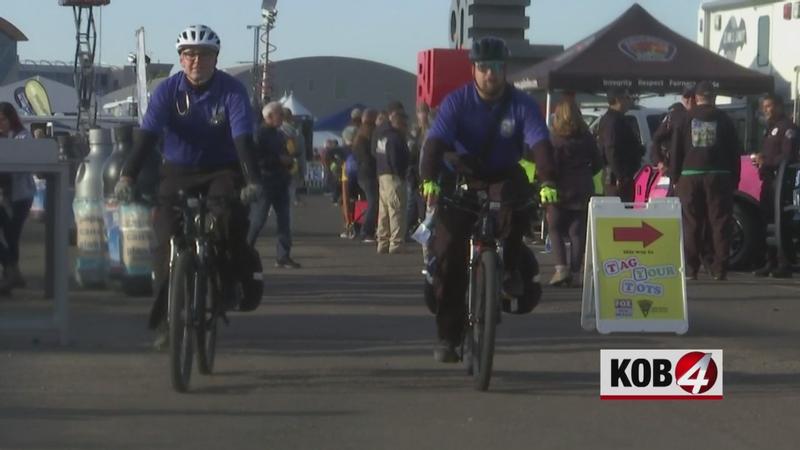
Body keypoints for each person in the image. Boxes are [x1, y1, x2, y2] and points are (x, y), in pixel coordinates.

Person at [114, 25, 263, 348]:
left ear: (215, 59)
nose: (196, 61)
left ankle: (228, 283)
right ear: (181, 60)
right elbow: (147, 137)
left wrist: (251, 181)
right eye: (189, 55)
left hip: (222, 169)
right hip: (178, 170)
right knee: (165, 240)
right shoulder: (167, 91)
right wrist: (127, 176)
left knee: (229, 221)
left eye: (204, 55)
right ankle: (168, 321)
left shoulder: (232, 90)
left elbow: (242, 139)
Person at [420, 36, 556, 362]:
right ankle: (449, 337)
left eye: (496, 68)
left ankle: (507, 271)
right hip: (463, 177)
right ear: (474, 70)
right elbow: (435, 143)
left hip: (504, 176)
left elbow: (540, 143)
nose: (490, 74)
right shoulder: (457, 102)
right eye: (483, 68)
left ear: (504, 69)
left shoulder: (521, 103)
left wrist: (548, 180)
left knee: (516, 208)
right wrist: (428, 179)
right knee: (451, 249)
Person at [670, 81, 742, 281]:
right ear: (714, 97)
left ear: (696, 97)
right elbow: (734, 151)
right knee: (719, 222)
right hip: (719, 175)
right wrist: (735, 177)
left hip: (690, 175)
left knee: (691, 222)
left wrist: (675, 176)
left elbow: (676, 150)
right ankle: (720, 268)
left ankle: (691, 269)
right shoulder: (724, 119)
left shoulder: (685, 118)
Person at [546, 99, 603, 287]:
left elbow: (550, 166)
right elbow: (597, 163)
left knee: (554, 228)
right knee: (577, 232)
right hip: (583, 186)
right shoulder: (586, 137)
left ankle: (561, 269)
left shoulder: (555, 139)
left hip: (560, 188)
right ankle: (576, 272)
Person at [248, 102, 301, 269]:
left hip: (280, 181)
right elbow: (256, 160)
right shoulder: (259, 134)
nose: (282, 117)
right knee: (258, 220)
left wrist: (288, 160)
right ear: (269, 116)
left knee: (284, 220)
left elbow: (287, 152)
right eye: (279, 114)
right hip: (266, 182)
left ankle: (283, 256)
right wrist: (279, 159)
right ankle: (245, 250)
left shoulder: (279, 134)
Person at [752, 94, 799, 278]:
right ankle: (769, 262)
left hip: (781, 181)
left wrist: (767, 161)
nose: (766, 109)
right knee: (768, 220)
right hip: (769, 181)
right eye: (764, 106)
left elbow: (788, 156)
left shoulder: (788, 128)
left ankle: (784, 263)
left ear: (779, 106)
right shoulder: (769, 128)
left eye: (769, 106)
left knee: (781, 222)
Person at [0, 102, 36, 293]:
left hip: (20, 195)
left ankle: (10, 275)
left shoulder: (22, 136)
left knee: (12, 235)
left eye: (3, 120)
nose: (1, 124)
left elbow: (24, 165)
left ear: (11, 119)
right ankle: (12, 272)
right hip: (4, 195)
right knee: (8, 236)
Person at [597, 88, 643, 201]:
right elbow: (610, 149)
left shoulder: (618, 119)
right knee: (619, 211)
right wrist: (620, 176)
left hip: (623, 176)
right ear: (618, 100)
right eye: (627, 98)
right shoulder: (612, 121)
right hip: (617, 178)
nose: (630, 101)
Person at [375, 110, 410, 254]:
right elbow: (395, 158)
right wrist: (401, 174)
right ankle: (396, 243)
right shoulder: (396, 138)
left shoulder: (382, 137)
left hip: (382, 175)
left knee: (383, 211)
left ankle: (382, 242)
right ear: (399, 123)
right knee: (396, 209)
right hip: (393, 176)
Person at [651, 86, 695, 173]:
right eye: (686, 97)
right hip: (674, 167)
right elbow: (656, 138)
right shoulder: (673, 116)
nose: (689, 100)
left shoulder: (701, 116)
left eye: (692, 97)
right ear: (682, 98)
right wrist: (659, 162)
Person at [353, 109, 379, 242]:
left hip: (362, 174)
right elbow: (368, 158)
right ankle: (366, 231)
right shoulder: (365, 139)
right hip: (368, 174)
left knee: (366, 202)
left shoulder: (359, 137)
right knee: (373, 202)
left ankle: (359, 228)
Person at [406, 102, 431, 240]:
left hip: (424, 170)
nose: (423, 115)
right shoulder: (414, 132)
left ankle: (423, 232)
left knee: (424, 203)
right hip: (414, 171)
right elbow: (411, 151)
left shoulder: (430, 130)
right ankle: (410, 229)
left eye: (425, 112)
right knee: (412, 202)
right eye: (420, 112)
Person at [280, 107, 306, 207]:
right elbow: (301, 154)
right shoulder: (297, 133)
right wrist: (303, 172)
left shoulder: (274, 130)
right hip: (292, 167)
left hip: (277, 168)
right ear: (290, 117)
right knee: (288, 198)